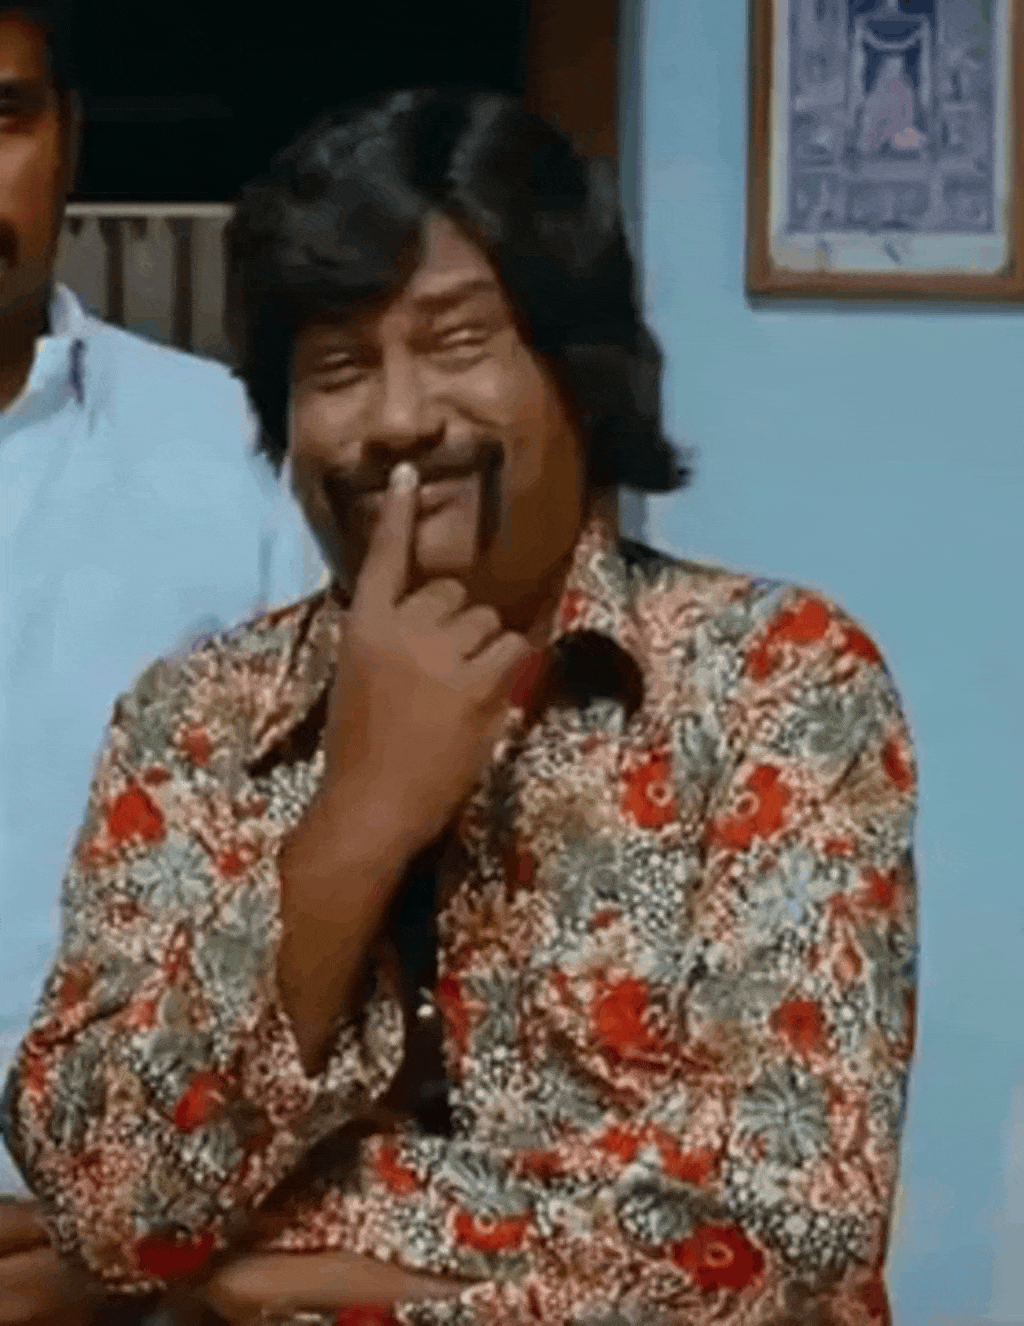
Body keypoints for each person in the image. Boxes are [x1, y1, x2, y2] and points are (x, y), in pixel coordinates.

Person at [2, 87, 919, 1326]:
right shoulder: (191, 723)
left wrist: (272, 1269)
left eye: (456, 343)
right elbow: (106, 1208)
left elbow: (787, 1226)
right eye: (337, 368)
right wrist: (356, 822)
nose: (396, 420)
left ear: (576, 372)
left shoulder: (776, 680)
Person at [0, 1, 325, 1310]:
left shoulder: (237, 457)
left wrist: (146, 1240)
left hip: (144, 1270)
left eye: (3, 118)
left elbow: (331, 886)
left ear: (68, 140)